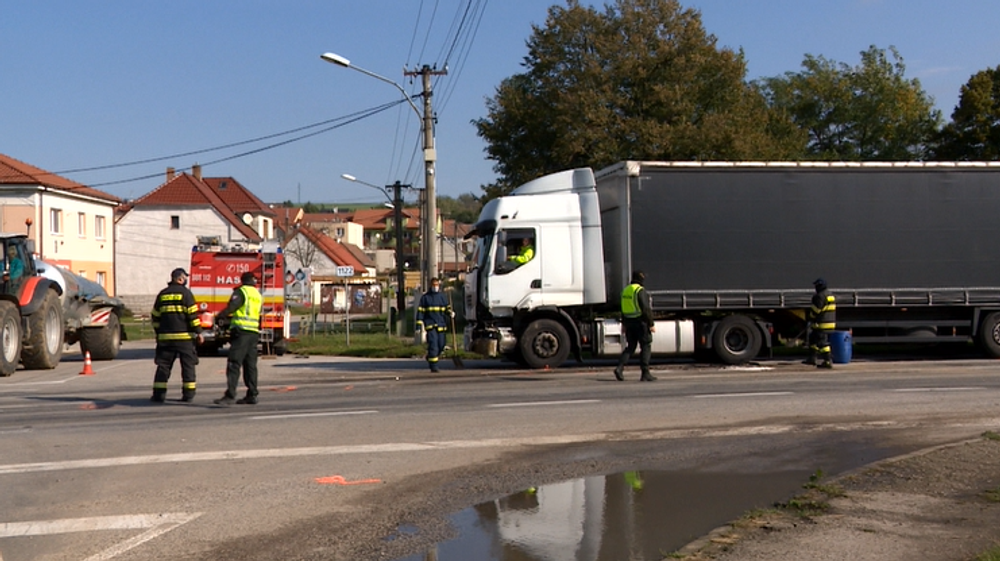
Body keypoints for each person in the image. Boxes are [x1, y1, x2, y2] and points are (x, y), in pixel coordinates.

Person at [150, 268, 203, 402]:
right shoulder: (186, 294)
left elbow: (155, 316)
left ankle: (159, 395)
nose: (186, 280)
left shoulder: (162, 294)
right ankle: (188, 395)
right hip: (184, 339)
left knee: (163, 366)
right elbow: (192, 316)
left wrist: (159, 333)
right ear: (180, 279)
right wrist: (199, 332)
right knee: (188, 366)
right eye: (185, 277)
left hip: (165, 339)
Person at [214, 272, 263, 406]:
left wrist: (220, 317)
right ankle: (252, 394)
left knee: (234, 363)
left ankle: (230, 395)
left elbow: (233, 307)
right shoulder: (257, 295)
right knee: (250, 365)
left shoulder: (241, 292)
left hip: (241, 333)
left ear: (243, 281)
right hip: (253, 332)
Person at [614, 270, 656, 382]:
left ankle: (619, 368)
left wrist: (624, 324)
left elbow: (623, 309)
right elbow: (646, 309)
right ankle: (645, 373)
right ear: (640, 279)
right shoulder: (639, 290)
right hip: (640, 322)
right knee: (646, 345)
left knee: (631, 347)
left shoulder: (626, 291)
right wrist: (651, 324)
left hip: (629, 322)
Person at [415, 277, 452, 372]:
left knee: (441, 345)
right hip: (431, 326)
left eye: (437, 285)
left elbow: (446, 308)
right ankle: (433, 366)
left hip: (441, 325)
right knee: (433, 346)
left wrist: (450, 312)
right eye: (434, 285)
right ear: (430, 286)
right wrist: (418, 326)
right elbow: (420, 312)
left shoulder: (442, 297)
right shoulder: (425, 298)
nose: (435, 287)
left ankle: (431, 356)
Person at [806, 278, 837, 369]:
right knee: (813, 339)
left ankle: (827, 361)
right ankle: (812, 358)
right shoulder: (830, 295)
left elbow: (816, 310)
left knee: (822, 343)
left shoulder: (819, 296)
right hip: (830, 323)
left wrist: (810, 317)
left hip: (822, 324)